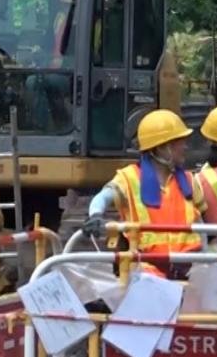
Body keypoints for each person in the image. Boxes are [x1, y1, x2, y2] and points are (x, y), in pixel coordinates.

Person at [84, 109, 205, 277]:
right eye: (180, 141)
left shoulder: (189, 180)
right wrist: (95, 215)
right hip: (143, 272)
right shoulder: (129, 177)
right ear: (163, 147)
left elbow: (204, 222)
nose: (185, 146)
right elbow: (103, 197)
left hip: (187, 271)